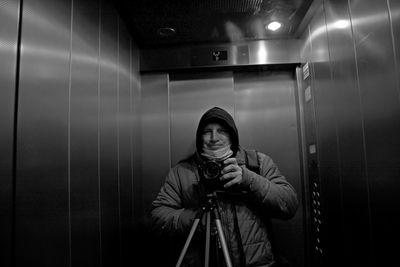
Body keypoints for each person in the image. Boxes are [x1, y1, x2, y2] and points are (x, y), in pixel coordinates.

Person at [151, 107, 299, 267]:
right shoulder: (182, 172)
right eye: (207, 131)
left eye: (221, 131)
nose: (214, 138)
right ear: (199, 137)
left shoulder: (257, 163)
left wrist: (248, 179)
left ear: (232, 135)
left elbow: (289, 204)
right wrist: (196, 220)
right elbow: (158, 217)